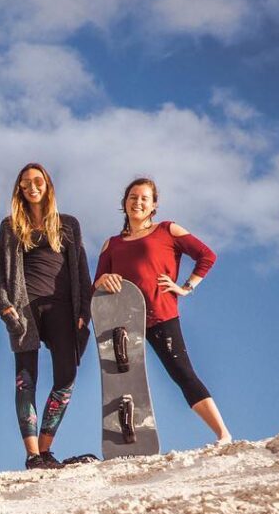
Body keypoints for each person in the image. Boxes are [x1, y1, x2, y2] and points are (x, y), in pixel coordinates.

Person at [93, 176, 232, 443]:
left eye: (145, 198)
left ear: (154, 205)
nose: (138, 202)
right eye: (133, 197)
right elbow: (96, 286)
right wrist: (101, 280)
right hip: (122, 323)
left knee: (182, 373)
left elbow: (207, 256)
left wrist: (186, 287)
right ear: (124, 203)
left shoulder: (167, 230)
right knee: (124, 385)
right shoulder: (112, 244)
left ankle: (223, 434)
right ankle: (128, 441)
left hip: (160, 314)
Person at [0, 164, 92, 470]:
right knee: (26, 380)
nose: (32, 187)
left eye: (38, 181)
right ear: (20, 190)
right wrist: (5, 307)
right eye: (25, 184)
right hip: (25, 310)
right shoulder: (10, 226)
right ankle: (33, 454)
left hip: (62, 308)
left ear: (48, 185)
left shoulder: (68, 225)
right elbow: (0, 274)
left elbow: (80, 269)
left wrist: (84, 311)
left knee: (67, 375)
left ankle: (46, 448)